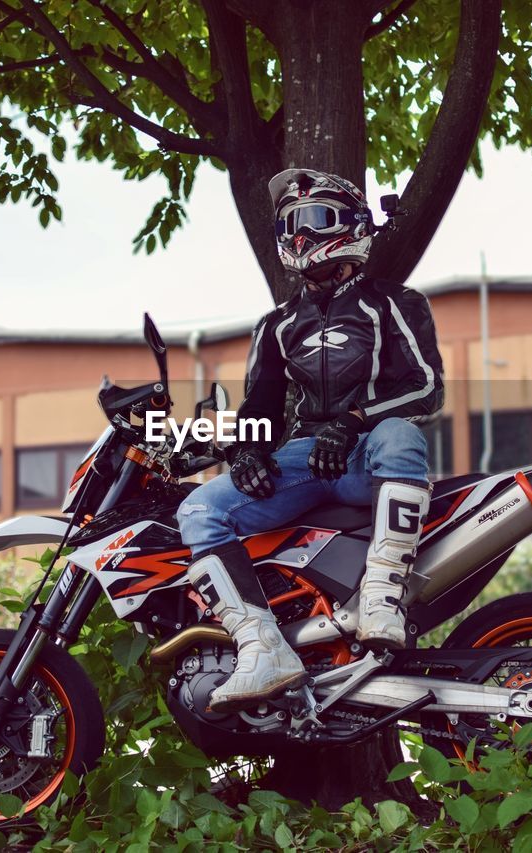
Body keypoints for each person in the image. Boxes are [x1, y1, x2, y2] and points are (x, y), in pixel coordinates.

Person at [177, 168, 445, 712]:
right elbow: (261, 409)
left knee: (397, 434)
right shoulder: (276, 325)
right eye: (291, 222)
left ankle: (382, 598)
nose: (300, 234)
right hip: (306, 462)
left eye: (316, 218)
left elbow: (426, 388)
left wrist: (351, 421)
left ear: (352, 225)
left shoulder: (396, 302)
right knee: (199, 509)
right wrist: (247, 448)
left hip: (372, 451)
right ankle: (262, 650)